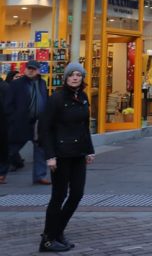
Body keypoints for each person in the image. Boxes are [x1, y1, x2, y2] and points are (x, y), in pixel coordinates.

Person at [38, 63, 94, 253]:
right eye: (72, 75)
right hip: (60, 154)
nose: (75, 78)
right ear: (66, 77)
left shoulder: (83, 97)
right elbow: (44, 128)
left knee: (77, 194)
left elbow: (85, 126)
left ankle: (57, 231)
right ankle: (47, 239)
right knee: (59, 196)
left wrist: (90, 150)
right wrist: (50, 156)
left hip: (78, 152)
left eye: (79, 75)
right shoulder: (57, 98)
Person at [4, 60, 51, 185]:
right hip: (21, 122)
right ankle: (1, 173)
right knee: (12, 148)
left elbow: (44, 99)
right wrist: (13, 118)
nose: (31, 70)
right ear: (25, 70)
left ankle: (39, 176)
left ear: (38, 70)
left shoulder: (42, 83)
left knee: (40, 149)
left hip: (38, 122)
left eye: (34, 69)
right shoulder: (16, 84)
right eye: (29, 68)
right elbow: (8, 104)